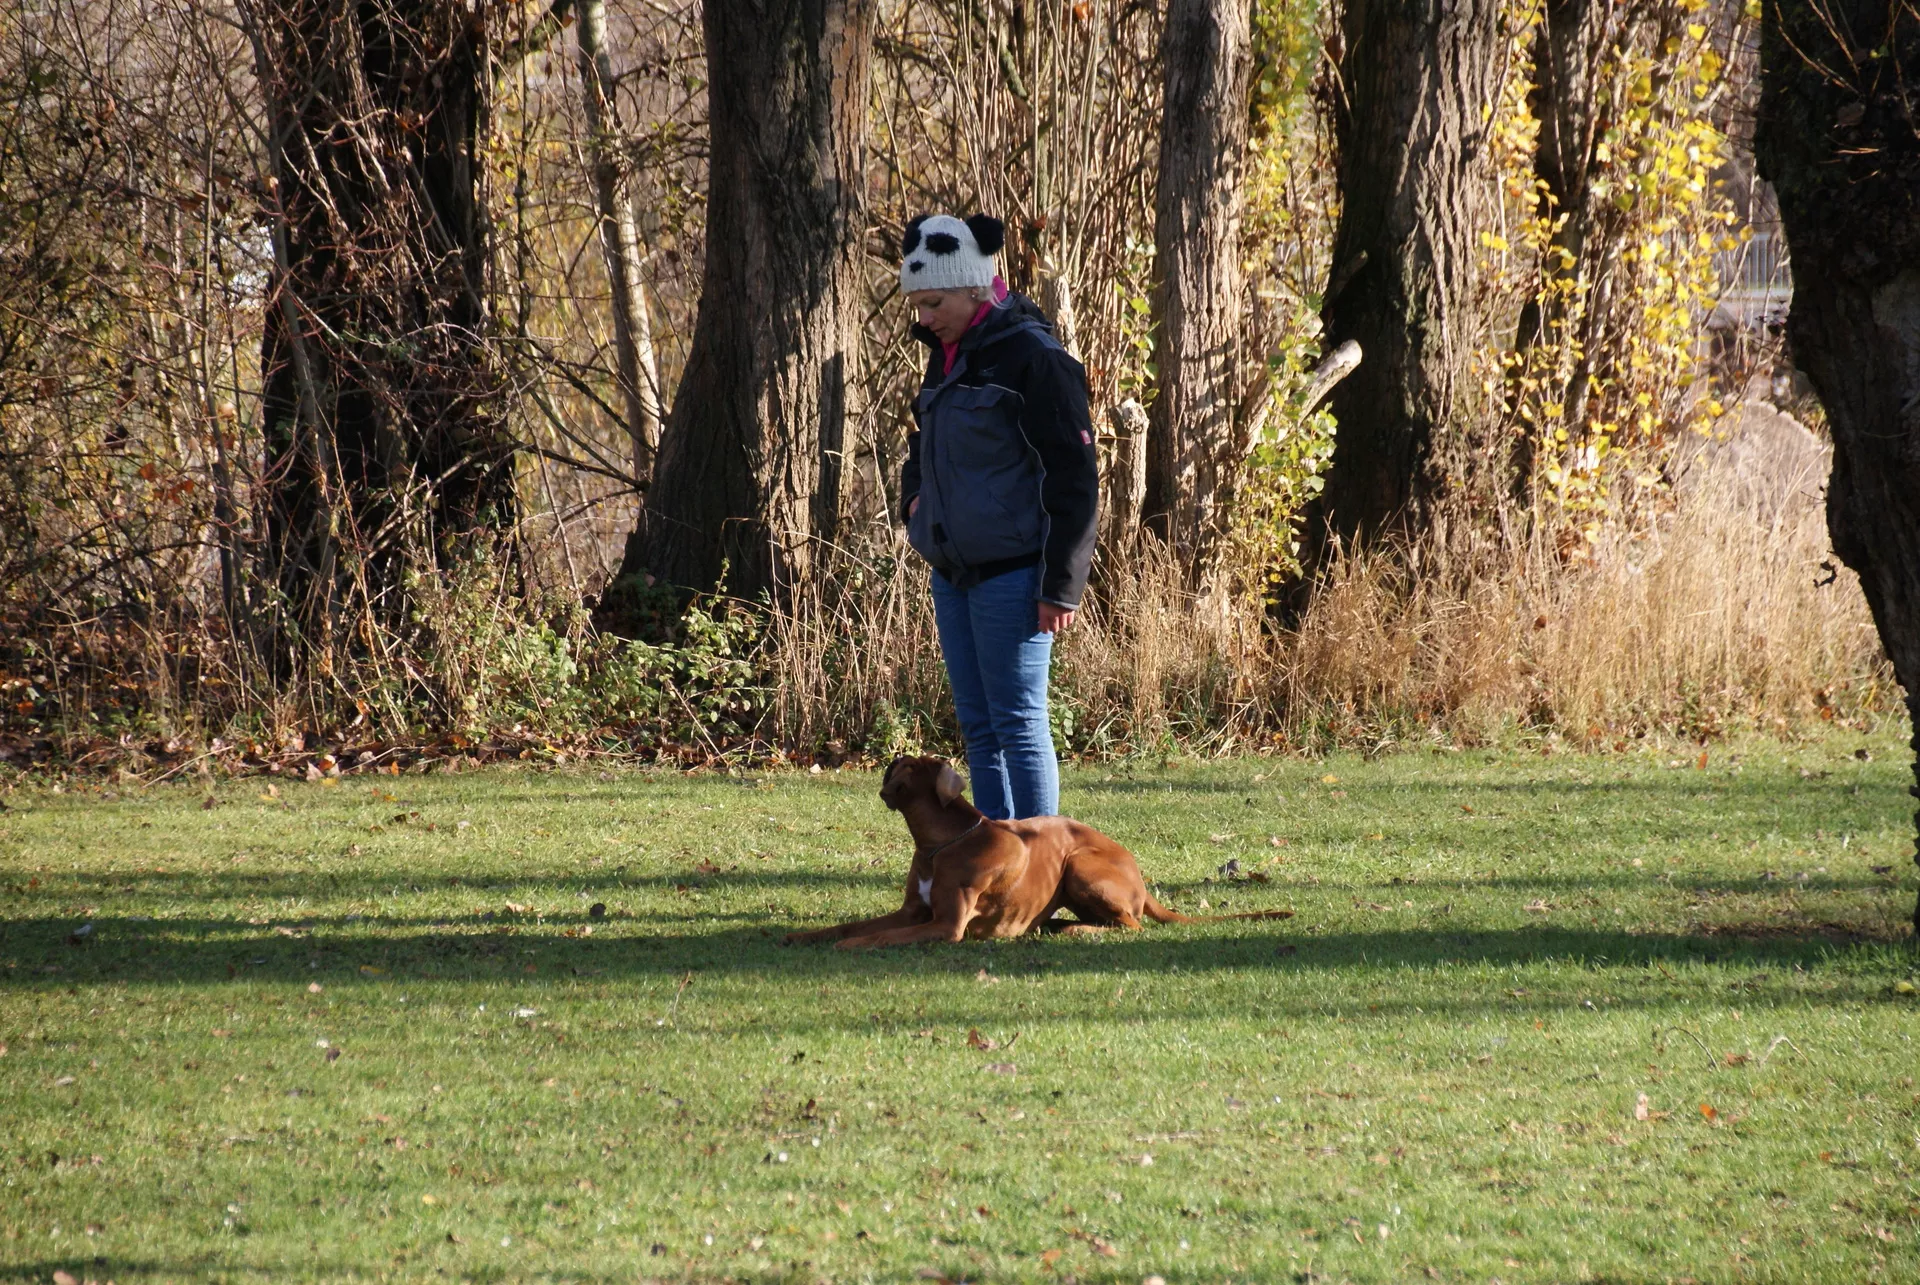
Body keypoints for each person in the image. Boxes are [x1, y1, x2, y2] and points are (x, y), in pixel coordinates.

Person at [897, 213, 1098, 820]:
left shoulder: (1036, 358)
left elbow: (1074, 478)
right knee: (979, 728)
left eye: (933, 303)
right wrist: (915, 504)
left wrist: (1060, 586)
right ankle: (998, 860)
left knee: (1018, 723)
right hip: (953, 573)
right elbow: (922, 443)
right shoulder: (947, 354)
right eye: (917, 304)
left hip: (1016, 576)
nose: (923, 318)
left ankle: (1042, 861)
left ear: (974, 287)